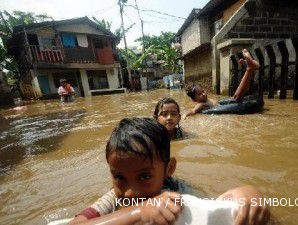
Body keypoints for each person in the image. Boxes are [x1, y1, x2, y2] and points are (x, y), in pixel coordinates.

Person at [69, 118, 270, 225]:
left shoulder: (177, 192)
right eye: (119, 177)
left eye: (145, 176)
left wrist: (248, 193)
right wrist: (138, 212)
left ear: (169, 168)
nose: (129, 192)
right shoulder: (113, 198)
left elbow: (211, 209)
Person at [185, 49, 263, 116]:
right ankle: (249, 69)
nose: (203, 94)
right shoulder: (201, 104)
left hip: (222, 105)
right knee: (236, 98)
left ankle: (250, 69)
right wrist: (186, 115)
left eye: (203, 91)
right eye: (200, 94)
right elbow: (193, 111)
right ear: (194, 100)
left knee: (237, 98)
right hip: (220, 108)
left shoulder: (206, 100)